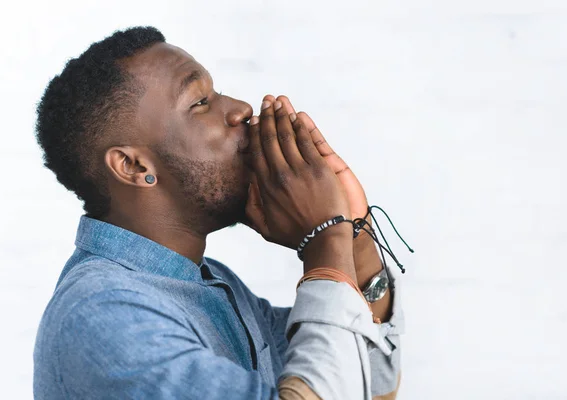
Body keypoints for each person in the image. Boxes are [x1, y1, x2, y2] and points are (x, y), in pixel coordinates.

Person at [33, 26, 404, 399]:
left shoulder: (210, 286)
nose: (241, 109)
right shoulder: (105, 311)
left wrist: (355, 241)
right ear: (132, 165)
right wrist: (326, 239)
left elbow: (372, 386)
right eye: (200, 102)